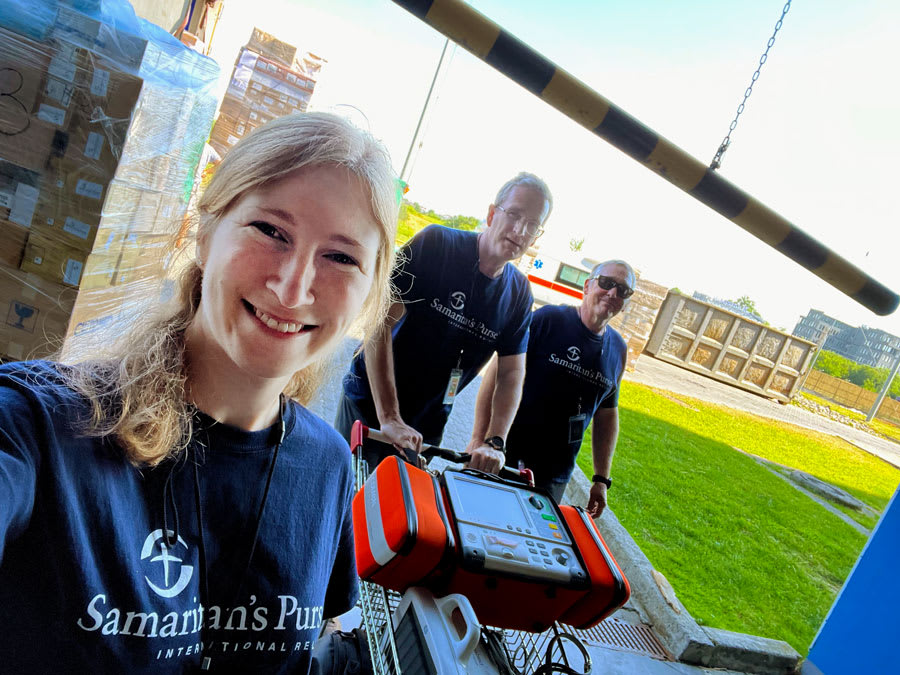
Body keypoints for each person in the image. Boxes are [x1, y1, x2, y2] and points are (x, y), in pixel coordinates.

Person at [0, 112, 399, 673]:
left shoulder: (327, 466)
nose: (292, 287)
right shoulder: (47, 426)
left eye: (341, 257)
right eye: (270, 231)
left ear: (370, 295)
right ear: (206, 233)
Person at [335, 173, 552, 473]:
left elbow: (511, 373)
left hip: (427, 424)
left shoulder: (519, 293)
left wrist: (494, 441)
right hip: (370, 405)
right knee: (342, 497)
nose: (520, 229)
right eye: (514, 214)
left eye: (532, 224)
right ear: (492, 213)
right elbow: (379, 322)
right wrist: (390, 416)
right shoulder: (437, 244)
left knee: (396, 511)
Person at [469, 260, 635, 515]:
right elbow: (498, 374)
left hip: (554, 477)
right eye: (606, 283)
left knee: (527, 544)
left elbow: (607, 414)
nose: (613, 293)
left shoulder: (619, 349)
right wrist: (480, 440)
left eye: (623, 290)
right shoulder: (548, 320)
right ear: (588, 286)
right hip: (504, 456)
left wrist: (601, 479)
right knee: (476, 522)